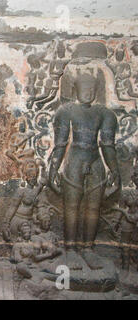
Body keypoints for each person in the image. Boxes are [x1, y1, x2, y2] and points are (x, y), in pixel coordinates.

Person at [48, 71, 121, 270]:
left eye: (91, 89)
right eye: (83, 88)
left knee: (93, 207)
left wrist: (114, 170)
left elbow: (107, 145)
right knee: (71, 207)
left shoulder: (105, 114)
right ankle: (70, 249)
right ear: (75, 90)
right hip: (74, 161)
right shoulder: (66, 111)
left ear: (96, 91)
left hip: (95, 161)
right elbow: (61, 143)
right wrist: (53, 169)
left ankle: (88, 248)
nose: (87, 92)